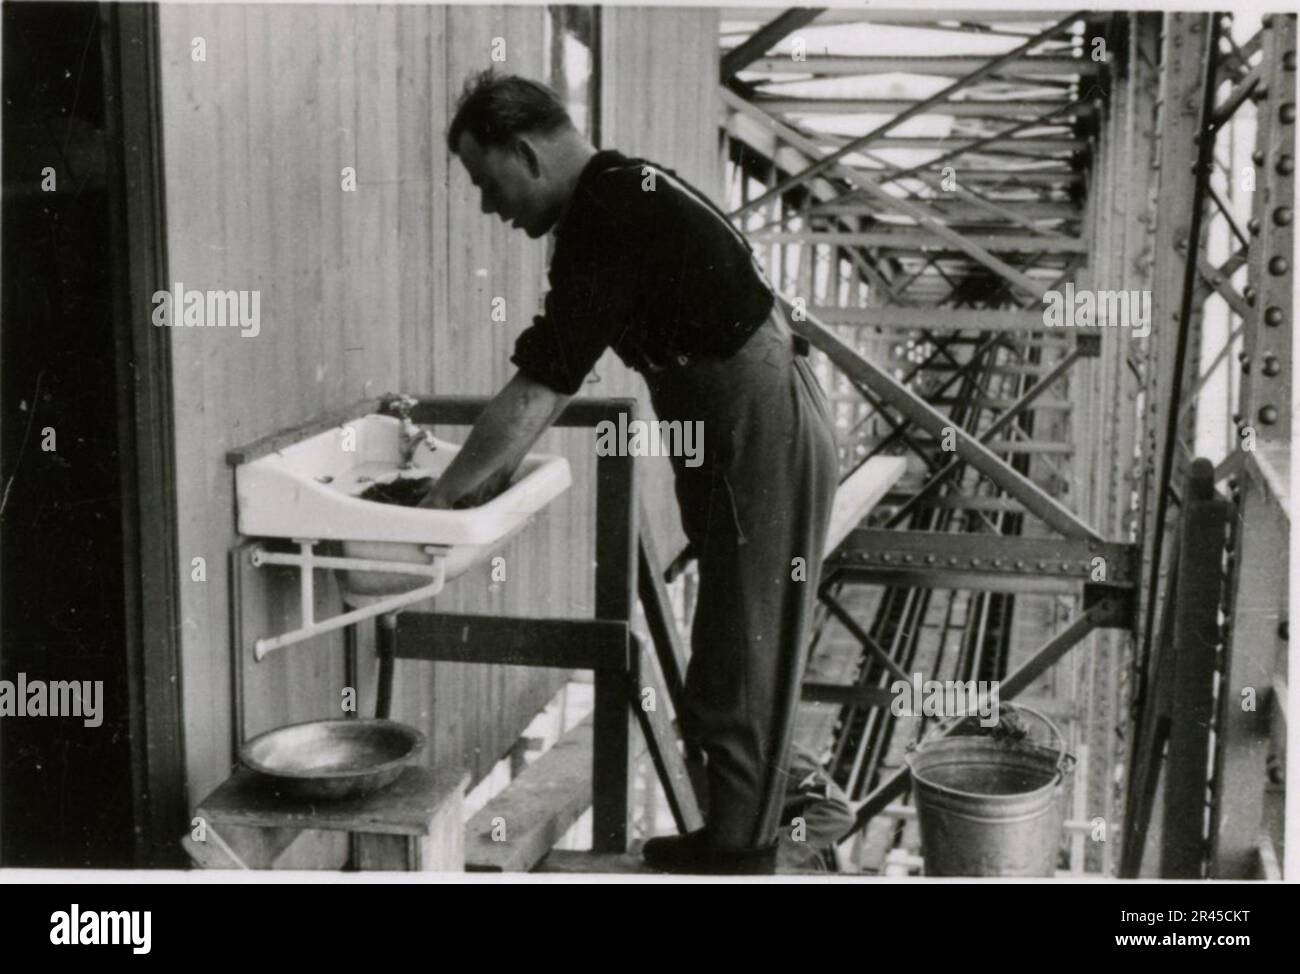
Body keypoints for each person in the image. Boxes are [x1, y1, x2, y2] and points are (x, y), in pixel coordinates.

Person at [423, 69, 839, 874]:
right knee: (732, 642)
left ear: (524, 150)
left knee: (741, 649)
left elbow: (545, 379)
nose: (488, 206)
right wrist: (476, 477)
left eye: (486, 181)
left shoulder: (609, 210)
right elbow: (554, 371)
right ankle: (751, 822)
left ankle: (742, 857)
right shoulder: (620, 193)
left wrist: (444, 498)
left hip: (758, 426)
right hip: (742, 424)